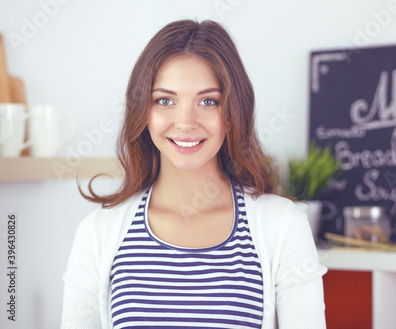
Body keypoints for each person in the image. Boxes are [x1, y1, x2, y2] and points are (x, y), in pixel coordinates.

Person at [61, 19, 327, 329]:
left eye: (207, 101)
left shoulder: (283, 226)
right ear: (143, 113)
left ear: (231, 114)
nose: (185, 121)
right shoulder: (97, 233)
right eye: (165, 100)